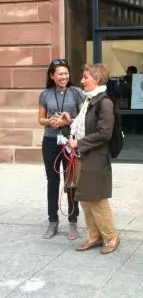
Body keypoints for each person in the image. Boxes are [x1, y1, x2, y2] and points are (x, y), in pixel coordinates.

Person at [67, 63, 120, 254]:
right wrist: (69, 121)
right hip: (84, 156)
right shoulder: (90, 100)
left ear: (97, 79)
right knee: (85, 198)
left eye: (86, 77)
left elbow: (104, 132)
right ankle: (95, 236)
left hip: (96, 157)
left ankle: (111, 236)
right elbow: (86, 125)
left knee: (97, 199)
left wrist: (78, 143)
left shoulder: (104, 102)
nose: (82, 80)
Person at [38, 59, 84, 240]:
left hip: (70, 141)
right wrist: (50, 121)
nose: (64, 77)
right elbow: (40, 119)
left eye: (66, 73)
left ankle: (73, 221)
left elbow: (83, 119)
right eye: (60, 74)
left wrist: (67, 121)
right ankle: (53, 221)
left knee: (71, 181)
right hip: (50, 141)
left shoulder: (77, 93)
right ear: (52, 76)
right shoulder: (45, 94)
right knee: (52, 180)